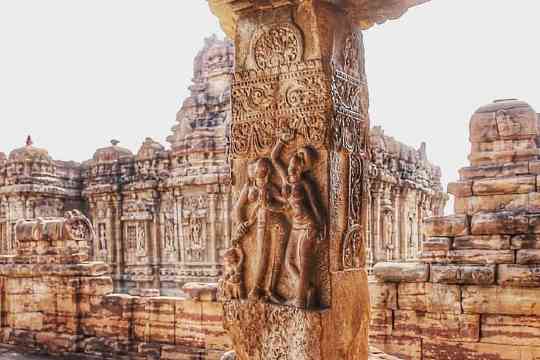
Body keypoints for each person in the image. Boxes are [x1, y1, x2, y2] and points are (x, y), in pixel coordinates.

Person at [271, 128, 322, 308]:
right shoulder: (286, 180)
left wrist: (320, 227)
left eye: (296, 166)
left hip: (308, 226)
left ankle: (300, 301)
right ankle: (308, 291)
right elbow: (275, 158)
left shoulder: (305, 184)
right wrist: (282, 140)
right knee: (289, 262)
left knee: (304, 263)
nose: (292, 168)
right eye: (291, 165)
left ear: (302, 169)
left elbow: (316, 206)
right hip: (296, 226)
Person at [233, 158, 288, 302]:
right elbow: (238, 208)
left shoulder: (270, 187)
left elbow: (284, 201)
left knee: (277, 256)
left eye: (265, 170)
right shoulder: (249, 188)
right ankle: (257, 288)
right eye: (259, 170)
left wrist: (280, 200)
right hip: (260, 224)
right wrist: (241, 223)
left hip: (278, 222)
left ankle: (271, 288)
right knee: (263, 255)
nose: (263, 174)